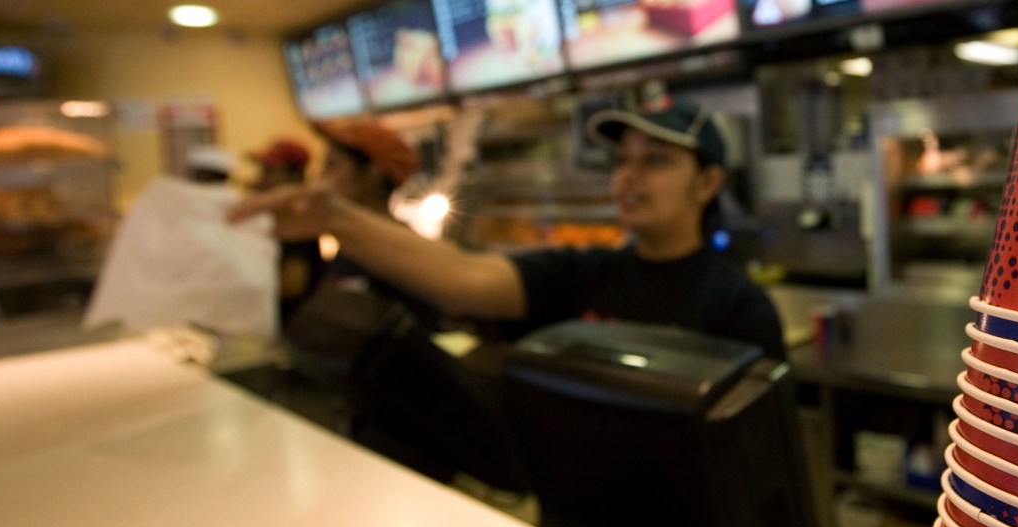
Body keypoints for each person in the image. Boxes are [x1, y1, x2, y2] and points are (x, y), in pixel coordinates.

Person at [229, 100, 785, 360]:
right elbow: (462, 276)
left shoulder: (738, 307)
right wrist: (335, 218)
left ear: (708, 183)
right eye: (623, 160)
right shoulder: (581, 273)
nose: (629, 178)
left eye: (656, 161)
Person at [306, 117, 443, 331]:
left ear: (373, 174)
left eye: (332, 165)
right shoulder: (354, 243)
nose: (321, 177)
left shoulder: (401, 252)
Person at [247, 136, 322, 326]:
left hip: (292, 329)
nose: (261, 178)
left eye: (269, 171)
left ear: (294, 177)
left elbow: (291, 286)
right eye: (262, 170)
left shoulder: (298, 219)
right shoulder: (276, 217)